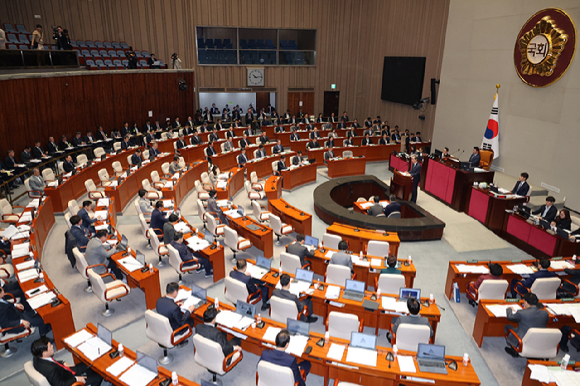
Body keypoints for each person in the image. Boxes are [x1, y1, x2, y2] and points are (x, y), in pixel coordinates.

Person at [32, 337, 102, 386]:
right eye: (50, 346)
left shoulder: (37, 358)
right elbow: (60, 384)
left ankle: (89, 375)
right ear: (44, 352)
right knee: (99, 376)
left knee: (88, 363)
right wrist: (77, 379)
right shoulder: (51, 370)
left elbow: (51, 362)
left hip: (65, 371)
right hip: (68, 379)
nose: (52, 346)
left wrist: (62, 362)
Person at [504, 293, 549, 357]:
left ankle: (514, 350)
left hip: (524, 339)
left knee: (507, 326)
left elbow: (510, 317)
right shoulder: (545, 313)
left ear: (526, 302)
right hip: (539, 339)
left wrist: (509, 309)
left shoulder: (521, 313)